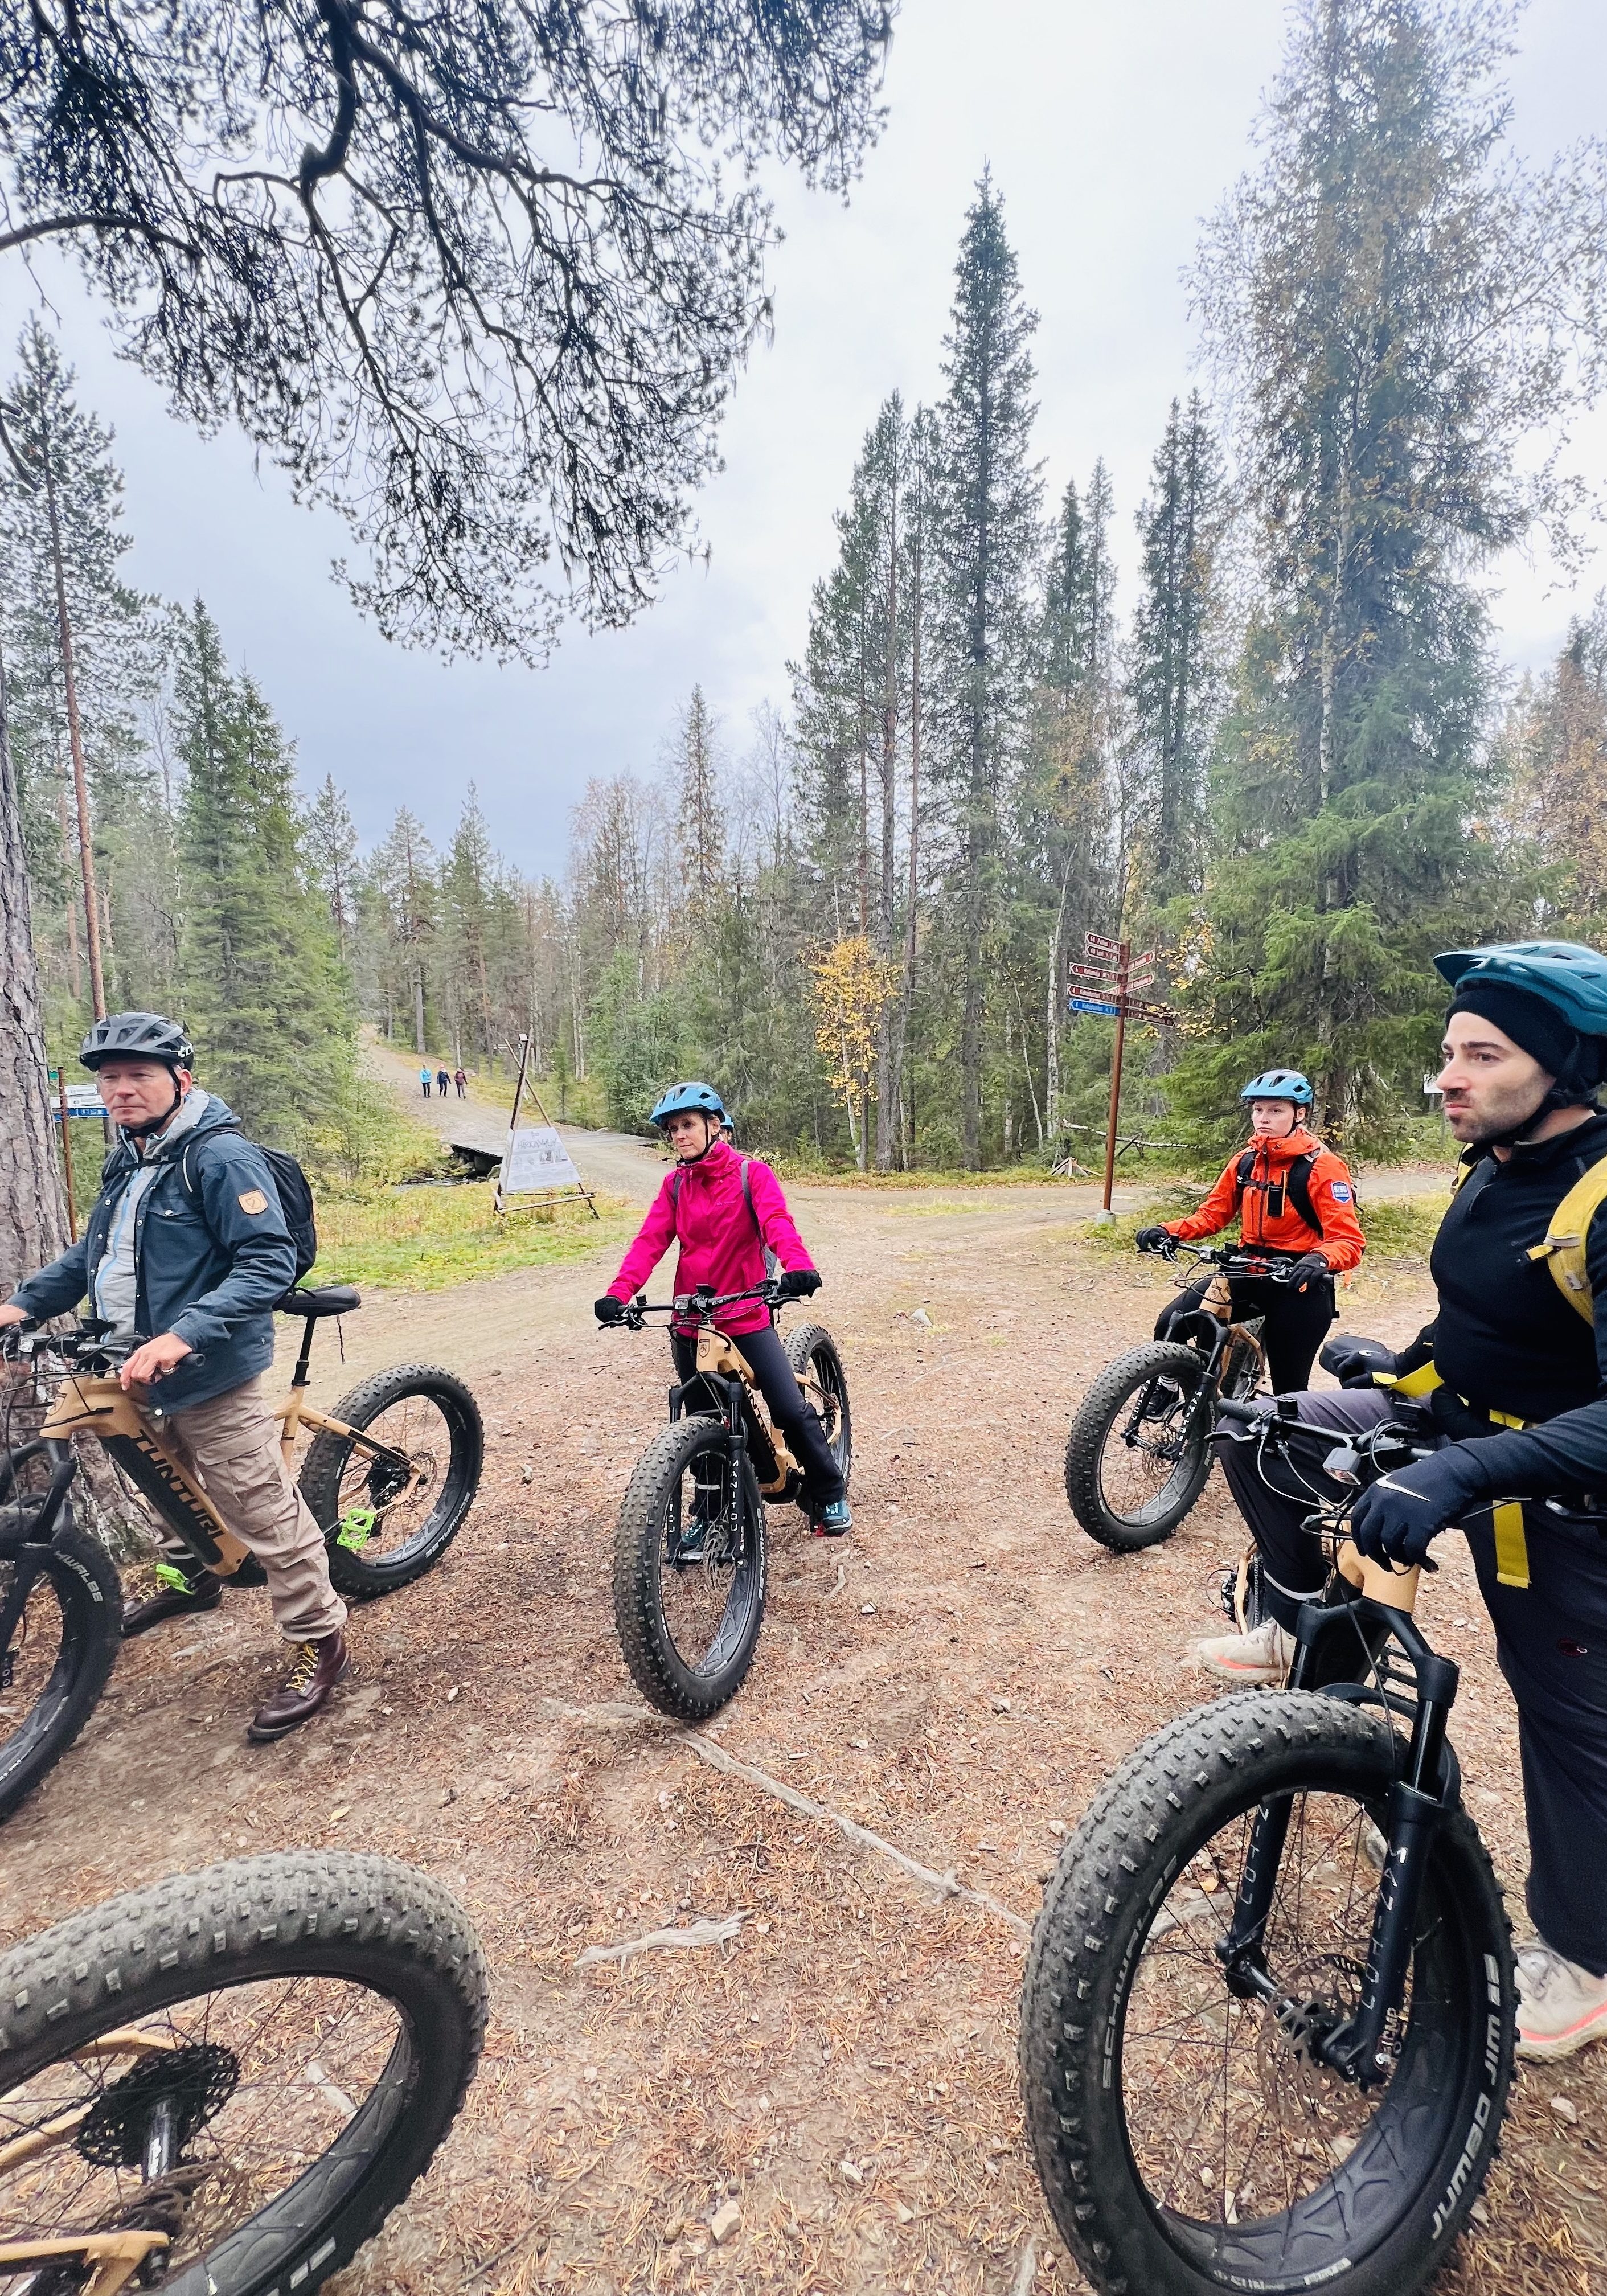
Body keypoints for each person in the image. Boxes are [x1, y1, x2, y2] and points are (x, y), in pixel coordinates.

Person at [1200, 943, 1607, 2061]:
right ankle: (1306, 1643)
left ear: (1566, 1065)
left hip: (1558, 1495)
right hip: (1456, 1428)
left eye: (1481, 1054)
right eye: (1446, 1053)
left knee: (1568, 1722)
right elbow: (1491, 1318)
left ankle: (1580, 1958)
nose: (1448, 1077)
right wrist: (1408, 1368)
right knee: (1262, 1430)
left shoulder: (1602, 1192)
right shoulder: (1491, 1162)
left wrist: (1460, 1471)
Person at [0, 1013, 351, 1742]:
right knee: (158, 1479)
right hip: (131, 1362)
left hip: (209, 1369)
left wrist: (181, 1336)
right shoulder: (126, 1157)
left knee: (261, 1511)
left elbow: (267, 1262)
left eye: (138, 1076)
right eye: (110, 1078)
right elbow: (91, 1257)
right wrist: (24, 1302)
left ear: (179, 1081)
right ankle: (193, 1577)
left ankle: (320, 1639)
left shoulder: (218, 1158)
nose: (121, 1090)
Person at [595, 1081, 851, 1534]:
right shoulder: (674, 1187)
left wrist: (798, 1266)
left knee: (789, 1410)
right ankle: (711, 1513)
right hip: (692, 1322)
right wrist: (618, 1293)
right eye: (672, 1128)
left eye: (688, 1125)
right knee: (703, 1420)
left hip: (746, 1314)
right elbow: (649, 1243)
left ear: (716, 1127)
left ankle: (829, 1492)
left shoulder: (753, 1175)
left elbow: (778, 1224)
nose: (679, 1135)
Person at [1135, 1069, 1365, 1395]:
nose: (1263, 1118)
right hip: (1245, 1271)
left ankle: (1284, 1443)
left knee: (1289, 1387)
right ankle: (1171, 1390)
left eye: (1275, 1110)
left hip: (1299, 1284)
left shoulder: (1323, 1167)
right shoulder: (1245, 1161)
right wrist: (1168, 1231)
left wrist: (1320, 1259)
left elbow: (1349, 1240)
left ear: (1299, 1114)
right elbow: (1212, 1215)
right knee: (1172, 1322)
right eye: (1258, 1109)